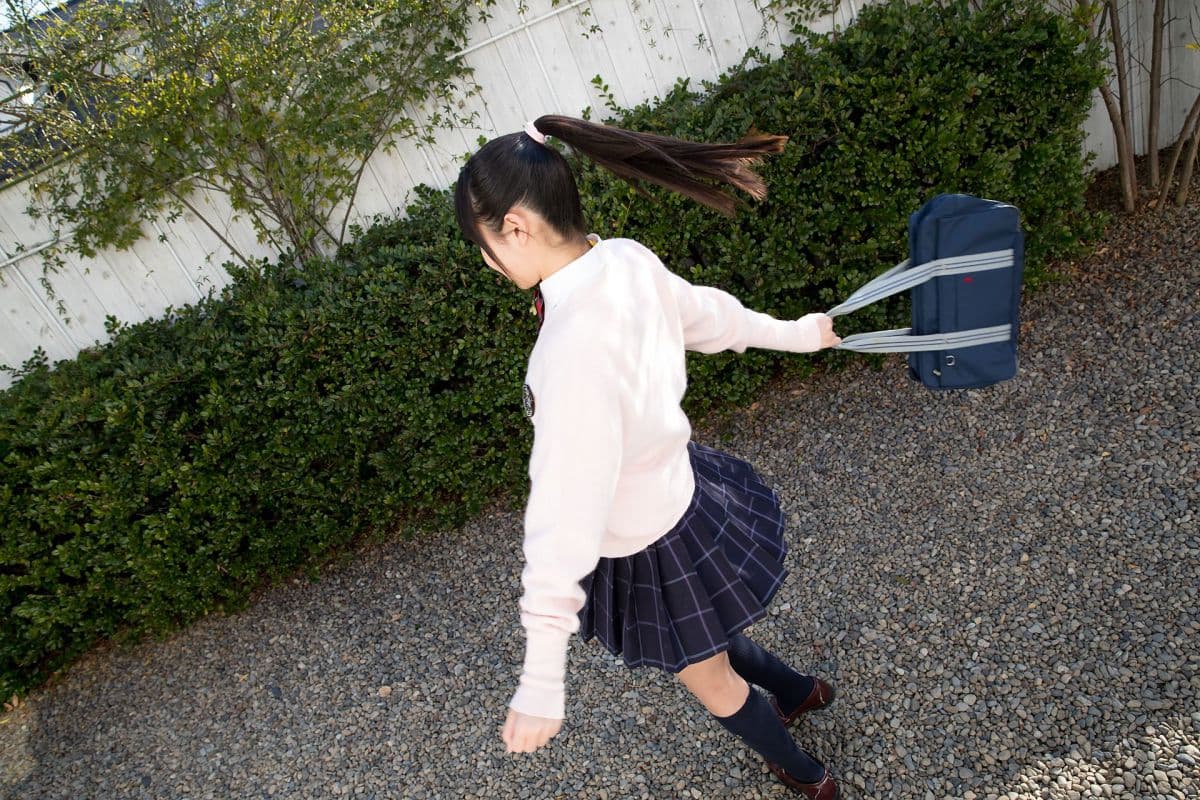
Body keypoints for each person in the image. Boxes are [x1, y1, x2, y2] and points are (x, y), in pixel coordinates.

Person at [453, 115, 843, 799]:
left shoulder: (565, 354)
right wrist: (800, 333)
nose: (489, 264)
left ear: (515, 226)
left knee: (711, 678)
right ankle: (799, 692)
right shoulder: (627, 258)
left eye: (484, 248)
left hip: (642, 546)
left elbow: (565, 515)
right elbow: (710, 317)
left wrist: (541, 678)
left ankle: (809, 776)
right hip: (685, 498)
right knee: (709, 636)